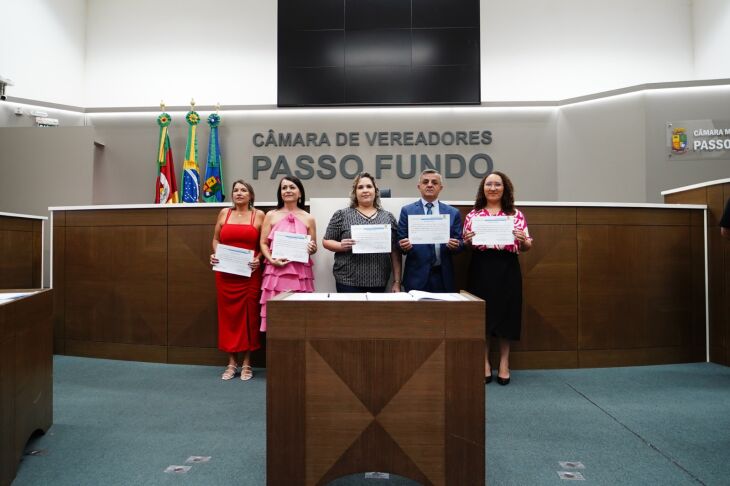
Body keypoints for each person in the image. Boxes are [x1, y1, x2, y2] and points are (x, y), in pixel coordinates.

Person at [462, 171, 532, 386]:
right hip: (481, 266)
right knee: (483, 315)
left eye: (497, 184)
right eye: (488, 184)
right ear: (483, 188)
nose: (493, 188)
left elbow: (527, 245)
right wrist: (467, 241)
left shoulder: (515, 214)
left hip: (507, 267)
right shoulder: (473, 215)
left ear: (505, 188)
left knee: (507, 313)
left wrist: (522, 240)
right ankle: (483, 362)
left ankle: (503, 363)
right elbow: (466, 245)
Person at [210, 179, 265, 381]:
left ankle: (247, 363)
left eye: (243, 190)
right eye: (235, 190)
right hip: (225, 274)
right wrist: (216, 254)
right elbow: (216, 239)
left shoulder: (259, 215)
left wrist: (258, 260)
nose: (239, 193)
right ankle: (232, 362)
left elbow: (264, 244)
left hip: (249, 275)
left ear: (250, 195)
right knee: (229, 318)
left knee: (249, 317)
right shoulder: (224, 213)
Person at [323, 172, 402, 293]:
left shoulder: (388, 217)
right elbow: (326, 241)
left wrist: (397, 282)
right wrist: (340, 246)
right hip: (347, 280)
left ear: (375, 191)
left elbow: (395, 252)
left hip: (379, 280)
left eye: (369, 186)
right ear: (355, 193)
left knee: (375, 313)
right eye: (360, 187)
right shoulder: (342, 215)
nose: (365, 190)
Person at [259, 176, 317, 331]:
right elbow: (263, 243)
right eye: (284, 188)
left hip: (300, 272)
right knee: (275, 314)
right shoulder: (271, 215)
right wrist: (272, 260)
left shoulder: (309, 218)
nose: (288, 190)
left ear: (300, 193)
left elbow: (314, 246)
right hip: (275, 271)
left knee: (299, 315)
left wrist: (312, 247)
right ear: (280, 193)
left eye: (292, 187)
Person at [397, 169, 463, 292]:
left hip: (443, 275)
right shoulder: (407, 211)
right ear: (419, 186)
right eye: (425, 182)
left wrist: (456, 245)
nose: (430, 185)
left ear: (440, 187)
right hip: (416, 276)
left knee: (443, 312)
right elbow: (400, 242)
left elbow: (460, 243)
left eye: (434, 182)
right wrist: (403, 245)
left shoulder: (453, 212)